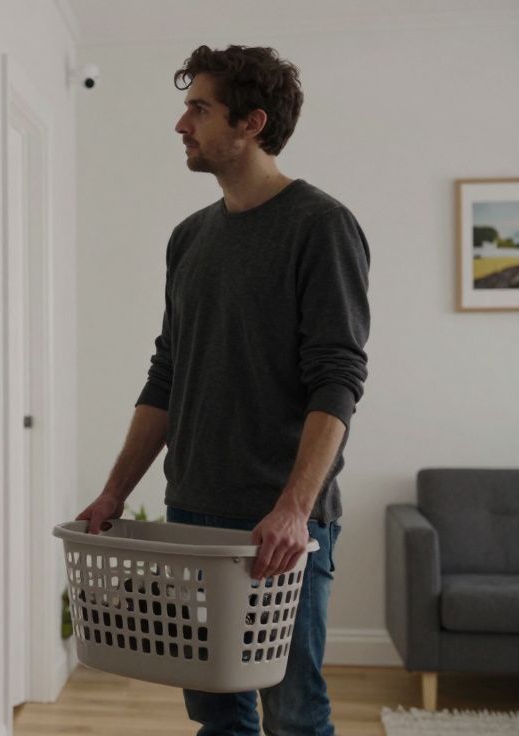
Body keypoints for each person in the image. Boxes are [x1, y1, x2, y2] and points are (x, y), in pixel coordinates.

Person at [76, 45, 370, 736]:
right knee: (216, 712)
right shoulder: (190, 239)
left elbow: (339, 377)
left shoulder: (320, 226)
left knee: (294, 715)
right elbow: (167, 375)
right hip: (194, 513)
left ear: (251, 122)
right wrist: (116, 490)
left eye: (199, 109)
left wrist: (295, 511)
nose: (182, 124)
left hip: (279, 527)